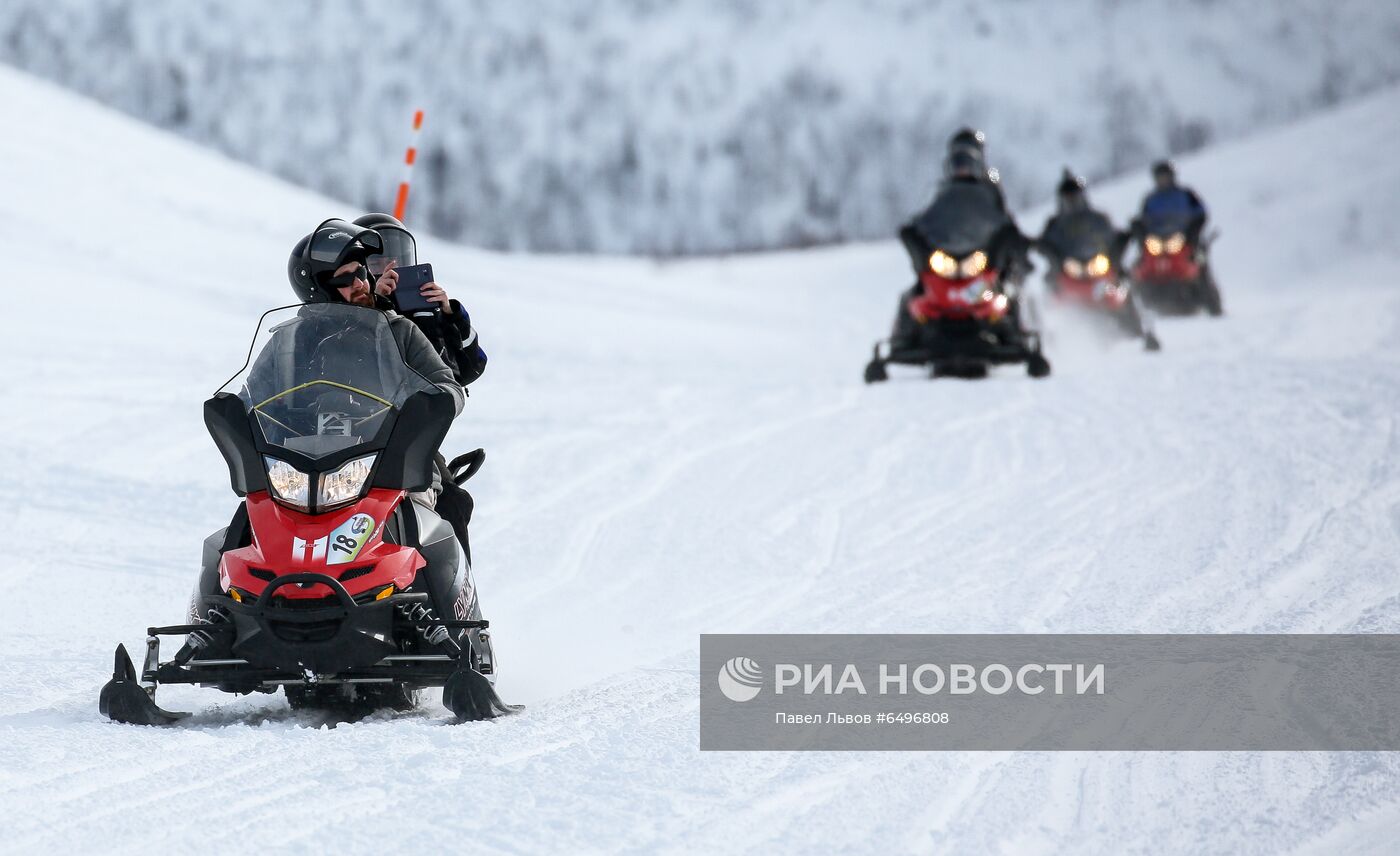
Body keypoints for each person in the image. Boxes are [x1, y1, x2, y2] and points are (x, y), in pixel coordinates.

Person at [889, 142, 1032, 350]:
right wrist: (913, 233)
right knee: (912, 294)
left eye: (966, 164)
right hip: (947, 255)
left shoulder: (987, 194)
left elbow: (1000, 221)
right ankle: (901, 340)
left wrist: (1008, 238)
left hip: (978, 256)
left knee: (1008, 291)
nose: (962, 169)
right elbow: (926, 219)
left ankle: (1016, 336)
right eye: (958, 164)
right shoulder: (941, 195)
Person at [351, 212, 487, 388]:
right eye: (376, 264)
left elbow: (470, 368)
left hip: (431, 407)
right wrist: (377, 304)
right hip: (378, 409)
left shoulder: (424, 307)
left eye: (394, 262)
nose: (388, 271)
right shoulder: (354, 307)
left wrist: (451, 315)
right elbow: (358, 364)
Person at [1036, 169, 1128, 289]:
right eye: (1068, 198)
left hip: (1097, 263)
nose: (1072, 201)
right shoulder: (1055, 224)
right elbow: (1046, 243)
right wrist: (1046, 249)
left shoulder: (1097, 218)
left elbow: (1110, 236)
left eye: (1074, 197)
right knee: (1052, 283)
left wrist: (1118, 242)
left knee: (1120, 282)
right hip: (1069, 268)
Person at [1131, 160, 1207, 245]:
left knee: (1197, 253)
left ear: (1172, 176)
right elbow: (1144, 218)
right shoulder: (1150, 199)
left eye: (1165, 177)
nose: (1163, 180)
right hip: (1158, 240)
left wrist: (1192, 230)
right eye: (1160, 177)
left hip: (1184, 238)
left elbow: (1200, 213)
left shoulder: (1185, 194)